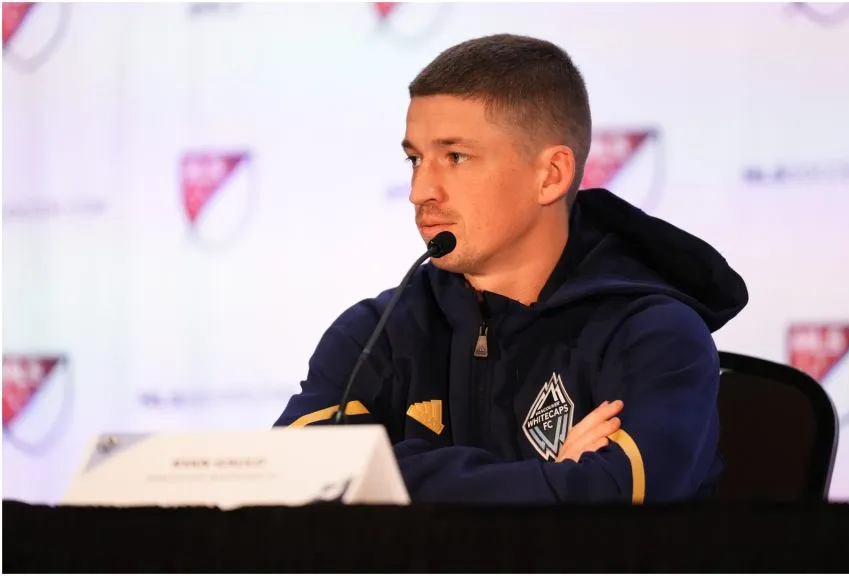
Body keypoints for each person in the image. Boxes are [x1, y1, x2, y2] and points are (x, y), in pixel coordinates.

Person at [274, 33, 748, 504]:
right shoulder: (377, 332)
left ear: (551, 175)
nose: (421, 190)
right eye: (415, 159)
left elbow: (612, 507)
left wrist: (381, 473)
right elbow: (297, 475)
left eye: (456, 157)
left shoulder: (655, 335)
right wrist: (549, 478)